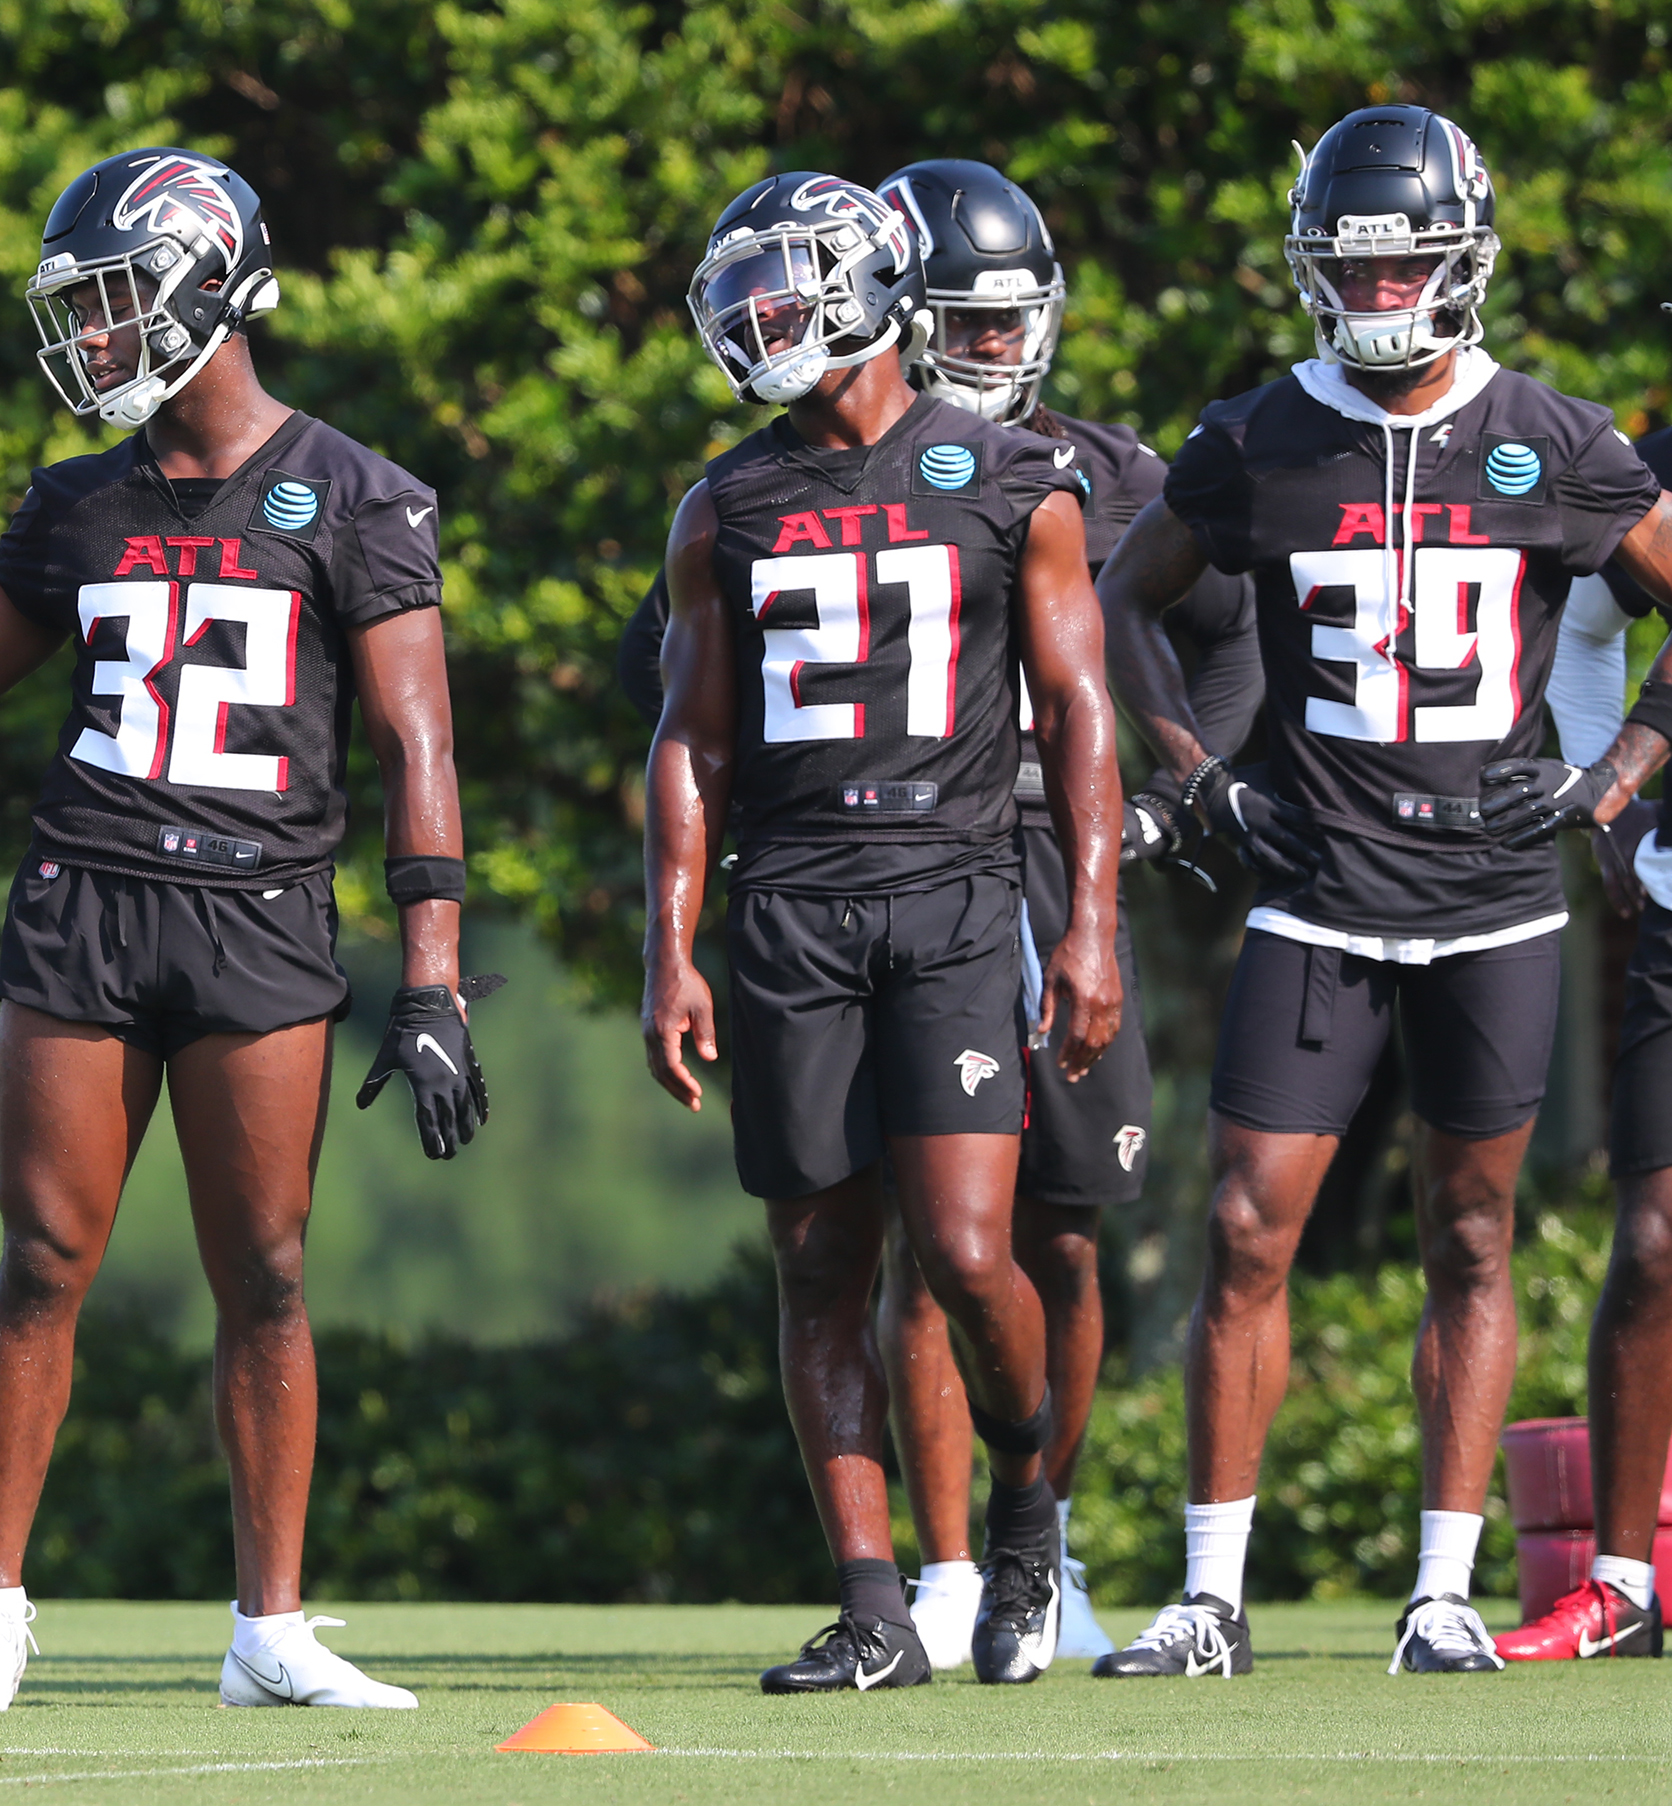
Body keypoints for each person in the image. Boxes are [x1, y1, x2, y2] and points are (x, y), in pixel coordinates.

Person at [0, 148, 473, 1711]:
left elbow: (420, 748)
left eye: (117, 298)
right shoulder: (80, 500)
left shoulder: (358, 493)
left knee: (266, 1269)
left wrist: (434, 977)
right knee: (43, 1255)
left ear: (210, 285)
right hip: (89, 896)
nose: (93, 335)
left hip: (263, 912)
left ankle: (271, 1626)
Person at [1093, 105, 1672, 1678]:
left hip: (1495, 891)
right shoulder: (1256, 437)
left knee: (1471, 1232)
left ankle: (1441, 1591)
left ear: (1465, 252)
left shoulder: (1556, 439)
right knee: (1240, 1226)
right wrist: (1195, 775)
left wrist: (1611, 776)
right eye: (1356, 262)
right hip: (1318, 887)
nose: (1382, 288)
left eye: (1409, 256)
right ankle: (1211, 1595)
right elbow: (1119, 605)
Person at [642, 170, 1122, 1693]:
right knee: (816, 1259)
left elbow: (1082, 711)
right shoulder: (725, 501)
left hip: (958, 890)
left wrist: (1094, 921)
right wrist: (671, 941)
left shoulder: (1014, 478)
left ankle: (1028, 1506)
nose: (760, 322)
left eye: (785, 291)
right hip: (789, 901)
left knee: (975, 1253)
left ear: (864, 289)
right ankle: (871, 1605)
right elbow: (690, 739)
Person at [869, 159, 1263, 1670]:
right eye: (956, 322)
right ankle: (949, 1565)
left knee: (1071, 1235)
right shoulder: (822, 468)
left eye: (1006, 321)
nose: (987, 349)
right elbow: (687, 671)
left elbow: (1226, 635)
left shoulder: (1123, 476)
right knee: (927, 1234)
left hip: (1060, 862)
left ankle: (1046, 1542)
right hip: (902, 869)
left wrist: (1182, 783)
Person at [1476, 419, 1672, 1662]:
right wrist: (1611, 793)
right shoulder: (1647, 476)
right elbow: (1590, 628)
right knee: (1653, 1246)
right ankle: (1620, 1581)